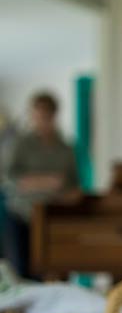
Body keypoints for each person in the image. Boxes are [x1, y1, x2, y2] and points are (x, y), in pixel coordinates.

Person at [3, 92, 79, 279]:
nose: (40, 121)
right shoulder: (21, 144)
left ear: (53, 116)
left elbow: (72, 185)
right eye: (36, 116)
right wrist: (43, 181)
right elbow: (8, 177)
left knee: (49, 270)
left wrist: (70, 194)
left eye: (45, 116)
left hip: (52, 218)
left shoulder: (65, 149)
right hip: (22, 215)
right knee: (22, 269)